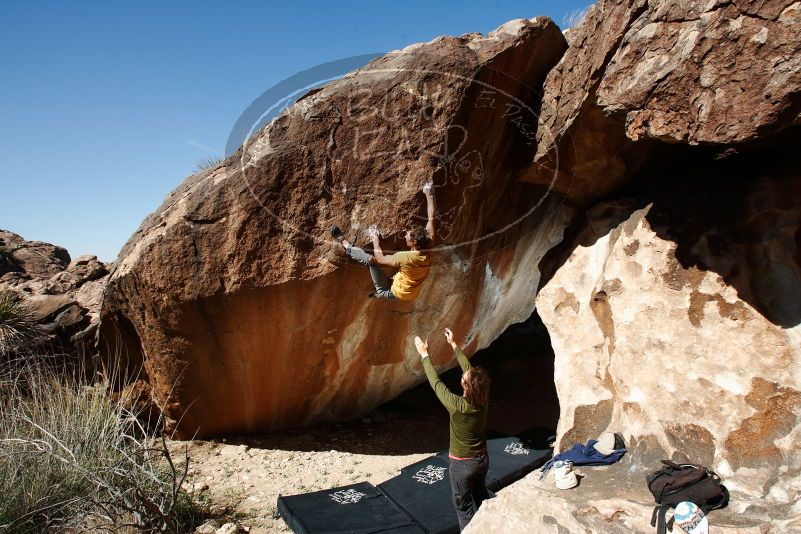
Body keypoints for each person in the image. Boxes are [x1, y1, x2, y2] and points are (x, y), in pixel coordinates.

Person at [414, 328, 491, 531]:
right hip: (482, 459)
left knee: (464, 508)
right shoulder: (483, 398)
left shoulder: (457, 406)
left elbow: (436, 383)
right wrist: (454, 345)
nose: (464, 376)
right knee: (481, 496)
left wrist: (424, 354)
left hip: (462, 466)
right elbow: (471, 372)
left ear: (466, 387)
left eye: (465, 379)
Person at [331, 182, 435, 301]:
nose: (405, 235)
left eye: (407, 236)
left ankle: (344, 242)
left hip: (394, 293)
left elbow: (380, 259)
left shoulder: (406, 257)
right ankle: (381, 289)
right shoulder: (429, 245)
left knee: (370, 260)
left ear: (414, 242)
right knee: (397, 273)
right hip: (411, 291)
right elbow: (431, 220)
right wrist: (429, 194)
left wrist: (375, 238)